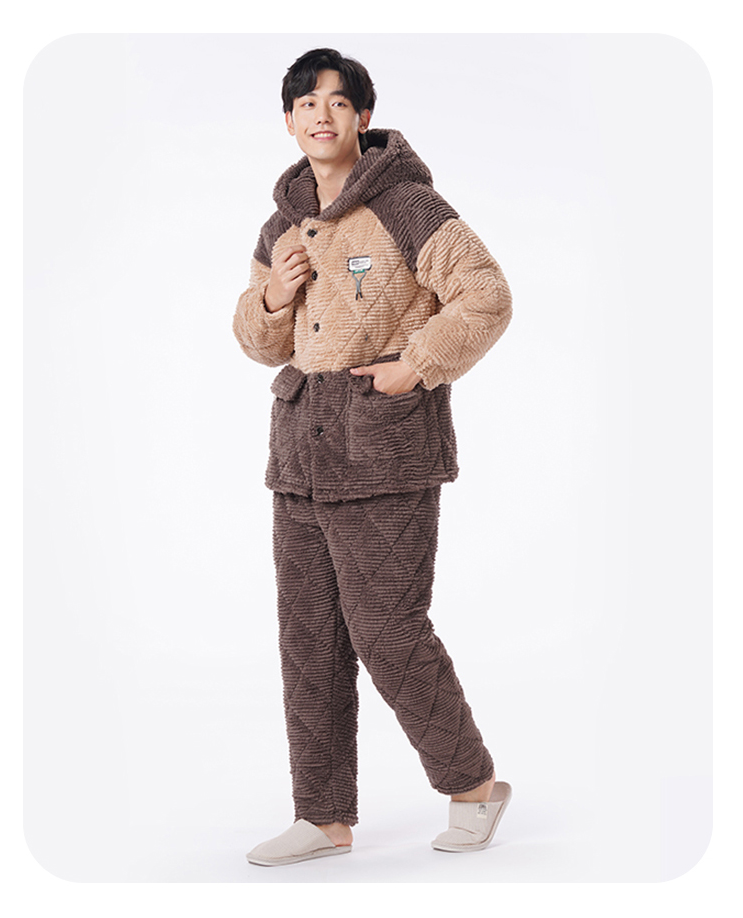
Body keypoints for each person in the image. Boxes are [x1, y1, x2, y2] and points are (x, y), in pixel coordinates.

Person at [233, 47, 513, 867]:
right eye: (305, 104)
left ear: (362, 116)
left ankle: (473, 786)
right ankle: (323, 816)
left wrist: (416, 364)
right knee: (309, 640)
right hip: (299, 455)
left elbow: (487, 293)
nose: (320, 115)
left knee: (388, 632)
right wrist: (273, 294)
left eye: (337, 101)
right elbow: (258, 342)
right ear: (289, 121)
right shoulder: (281, 226)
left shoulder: (407, 204)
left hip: (385, 449)